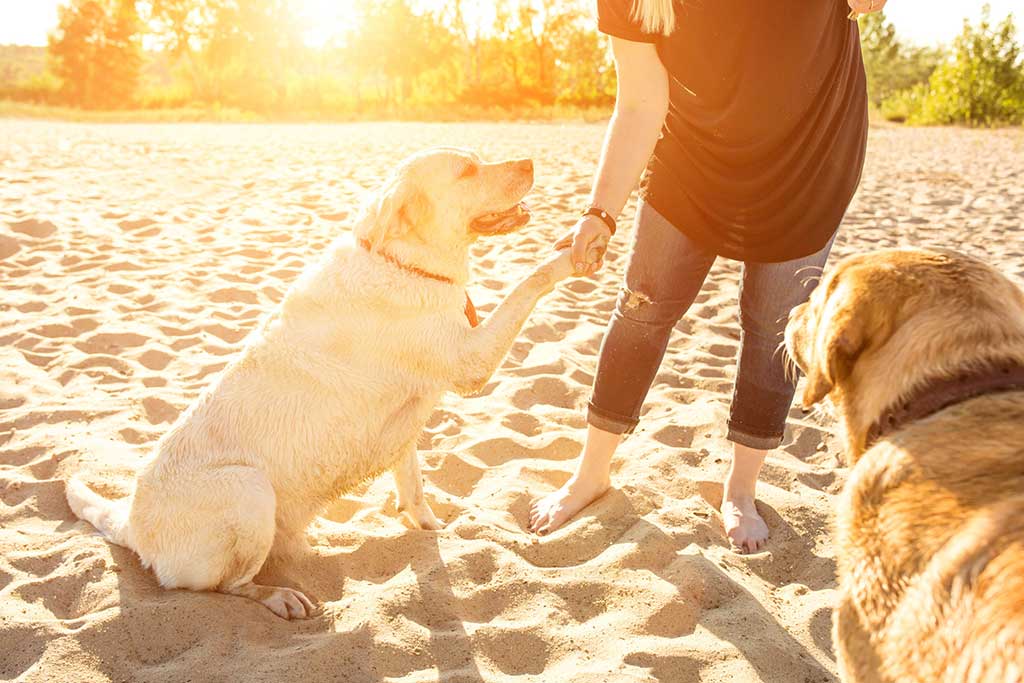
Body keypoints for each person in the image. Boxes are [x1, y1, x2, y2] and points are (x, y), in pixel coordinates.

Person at [528, 0, 883, 552]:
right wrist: (601, 212)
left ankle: (740, 488)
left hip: (810, 160)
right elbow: (642, 103)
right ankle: (590, 472)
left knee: (773, 328)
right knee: (643, 305)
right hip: (695, 157)